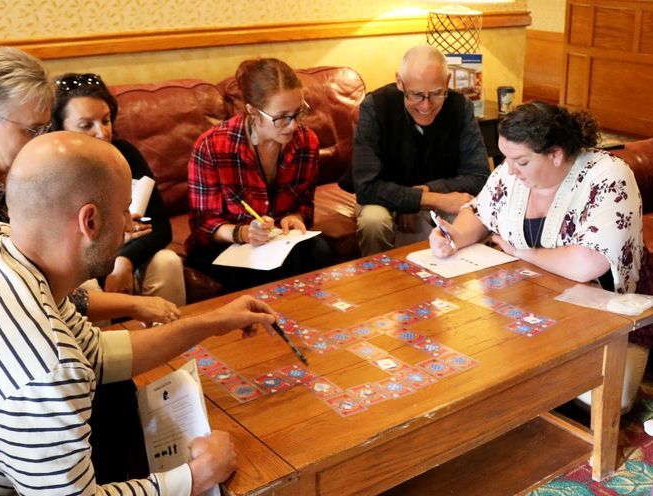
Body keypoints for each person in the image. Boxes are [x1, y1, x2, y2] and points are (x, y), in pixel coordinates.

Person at [0, 131, 277, 494]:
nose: (127, 225)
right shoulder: (44, 363)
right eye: (124, 211)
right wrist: (197, 476)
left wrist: (212, 322)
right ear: (89, 221)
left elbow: (98, 353)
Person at [0, 47, 180, 326]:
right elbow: (29, 297)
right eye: (31, 131)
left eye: (44, 130)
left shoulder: (20, 170)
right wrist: (135, 304)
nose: (41, 142)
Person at [428, 101, 647, 412]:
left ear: (555, 154)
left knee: (604, 401)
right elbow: (480, 213)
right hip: (526, 298)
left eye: (521, 161)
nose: (509, 169)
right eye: (506, 158)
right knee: (473, 368)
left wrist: (521, 252)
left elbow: (587, 264)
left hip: (600, 308)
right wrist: (454, 238)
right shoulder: (511, 169)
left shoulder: (608, 175)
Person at [186, 57, 334, 292]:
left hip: (277, 239)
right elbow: (204, 225)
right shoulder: (212, 146)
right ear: (252, 111)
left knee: (321, 251)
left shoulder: (306, 142)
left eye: (298, 112)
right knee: (271, 272)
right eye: (282, 117)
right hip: (226, 244)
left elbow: (304, 204)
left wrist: (294, 217)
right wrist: (244, 233)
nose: (293, 125)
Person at [50, 72, 186, 306]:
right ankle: (102, 343)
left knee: (167, 262)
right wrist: (114, 239)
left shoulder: (126, 155)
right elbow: (54, 246)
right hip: (78, 267)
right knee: (86, 287)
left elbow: (162, 228)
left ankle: (174, 337)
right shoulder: (48, 168)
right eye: (86, 125)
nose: (102, 133)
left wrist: (125, 259)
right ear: (59, 127)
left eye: (105, 120)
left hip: (126, 255)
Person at [351, 44, 490, 256]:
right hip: (384, 200)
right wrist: (426, 200)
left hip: (442, 195)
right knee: (373, 221)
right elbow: (367, 186)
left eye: (436, 94)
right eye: (416, 95)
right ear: (400, 82)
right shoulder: (375, 107)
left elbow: (479, 175)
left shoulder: (461, 107)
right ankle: (379, 281)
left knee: (474, 218)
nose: (426, 106)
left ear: (447, 82)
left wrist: (426, 191)